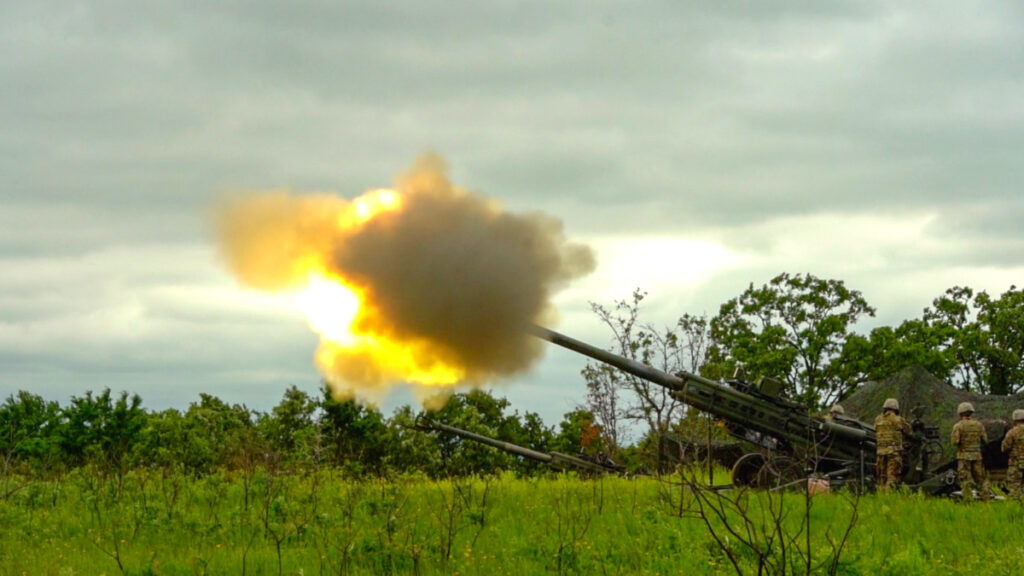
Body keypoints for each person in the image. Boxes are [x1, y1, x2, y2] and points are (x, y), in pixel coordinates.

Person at [951, 402, 990, 501]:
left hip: (963, 456)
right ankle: (986, 497)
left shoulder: (958, 426)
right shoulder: (979, 425)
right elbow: (985, 440)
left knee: (965, 479)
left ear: (960, 413)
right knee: (980, 478)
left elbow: (955, 442)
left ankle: (968, 500)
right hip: (977, 456)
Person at [874, 398, 911, 491]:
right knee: (892, 476)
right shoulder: (898, 419)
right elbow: (908, 431)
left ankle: (880, 497)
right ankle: (888, 496)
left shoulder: (877, 420)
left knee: (881, 477)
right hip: (893, 453)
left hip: (880, 453)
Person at [1001, 408, 1024, 500]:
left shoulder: (1012, 432)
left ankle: (1015, 508)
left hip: (1016, 463)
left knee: (1015, 486)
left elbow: (1004, 448)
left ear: (1015, 419)